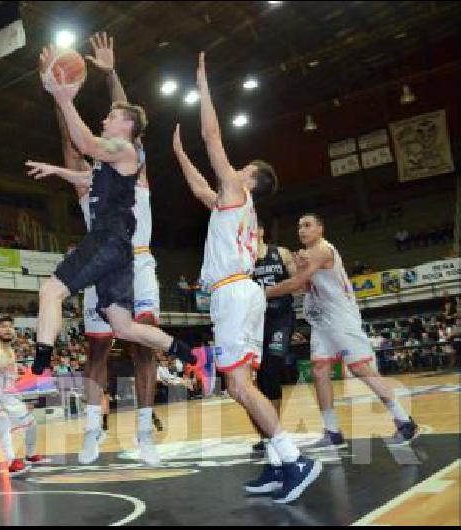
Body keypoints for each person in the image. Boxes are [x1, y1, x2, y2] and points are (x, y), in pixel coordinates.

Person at [27, 43, 213, 435]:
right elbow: (80, 157)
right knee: (117, 333)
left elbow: (102, 138)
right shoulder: (98, 178)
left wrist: (95, 82)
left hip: (130, 253)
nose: (105, 119)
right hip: (110, 254)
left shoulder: (130, 158)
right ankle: (182, 352)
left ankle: (41, 369)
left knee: (56, 294)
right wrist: (58, 167)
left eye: (112, 117)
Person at [171, 51, 320, 504]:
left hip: (235, 293)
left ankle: (294, 458)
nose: (233, 170)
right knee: (243, 386)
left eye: (242, 168)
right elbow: (200, 188)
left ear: (251, 179)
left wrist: (202, 86)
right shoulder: (231, 205)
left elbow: (212, 135)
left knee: (237, 384)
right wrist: (179, 155)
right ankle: (277, 465)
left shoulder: (237, 190)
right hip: (242, 293)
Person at [265, 213, 419, 447]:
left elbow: (294, 285)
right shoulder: (308, 255)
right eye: (299, 226)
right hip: (322, 319)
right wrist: (298, 268)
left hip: (341, 317)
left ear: (320, 229)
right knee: (319, 370)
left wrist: (260, 293)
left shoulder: (323, 249)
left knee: (360, 368)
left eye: (307, 225)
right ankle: (332, 431)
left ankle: (404, 421)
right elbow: (302, 289)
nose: (301, 230)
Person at [0, 316, 48, 477]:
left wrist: (20, 398)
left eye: (10, 326)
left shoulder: (11, 351)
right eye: (3, 326)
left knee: (31, 423)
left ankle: (31, 456)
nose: (7, 329)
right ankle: (11, 463)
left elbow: (8, 381)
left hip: (5, 397)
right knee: (2, 418)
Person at [250, 221, 298, 452]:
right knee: (262, 378)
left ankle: (273, 430)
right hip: (257, 322)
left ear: (261, 231)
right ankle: (271, 430)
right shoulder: (243, 260)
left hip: (281, 317)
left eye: (253, 228)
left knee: (273, 367)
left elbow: (297, 283)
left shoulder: (280, 253)